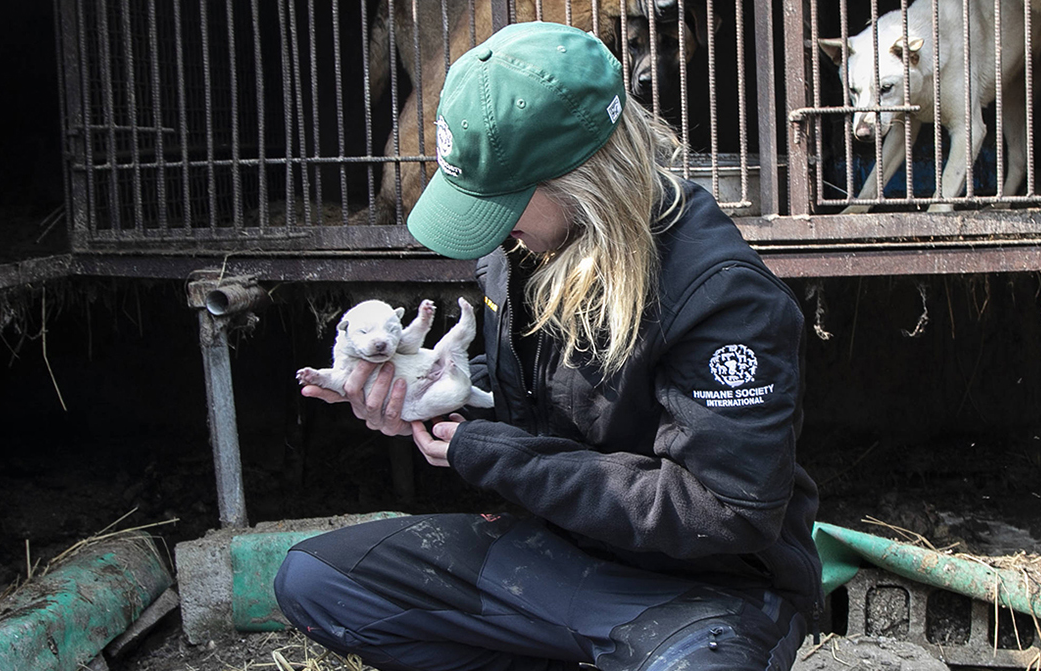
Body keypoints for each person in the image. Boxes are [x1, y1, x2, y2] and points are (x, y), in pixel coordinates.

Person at [279, 21, 821, 671]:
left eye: (505, 201)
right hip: (555, 557)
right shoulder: (523, 247)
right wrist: (433, 395)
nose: (496, 225)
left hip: (701, 590)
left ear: (583, 179)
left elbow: (723, 511)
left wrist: (497, 456)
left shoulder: (721, 294)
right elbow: (533, 400)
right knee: (313, 579)